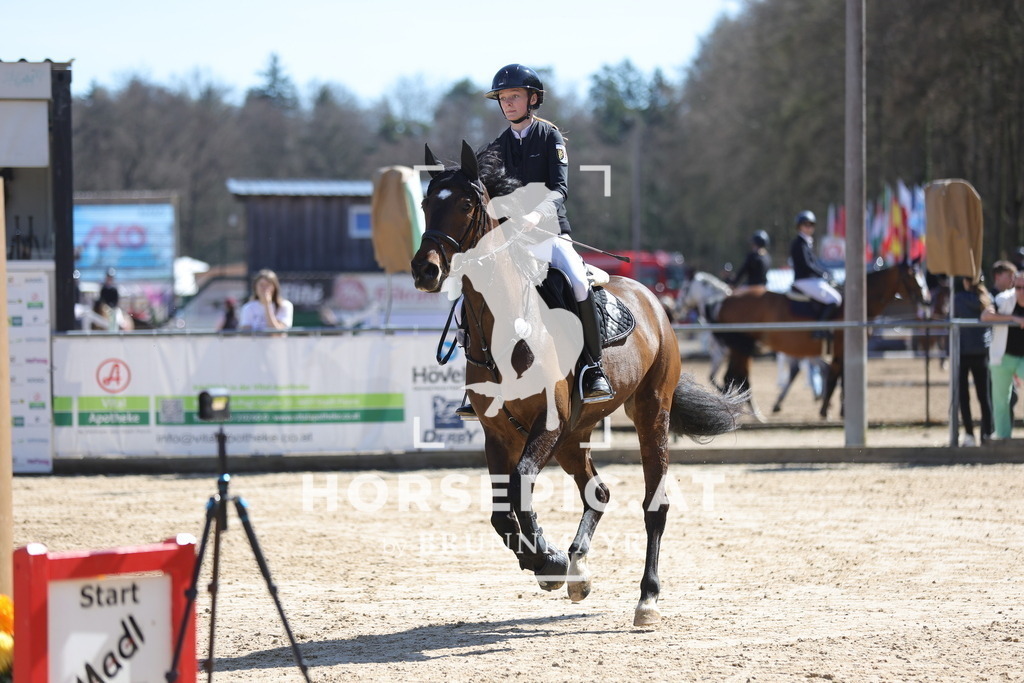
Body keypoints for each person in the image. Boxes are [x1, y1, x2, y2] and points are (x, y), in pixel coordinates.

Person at [456, 63, 613, 419]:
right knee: (474, 287)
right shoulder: (497, 147)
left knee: (577, 281)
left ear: (533, 99)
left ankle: (593, 368)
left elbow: (560, 190)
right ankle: (475, 379)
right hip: (510, 241)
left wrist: (533, 215)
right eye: (503, 98)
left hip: (549, 234)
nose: (508, 103)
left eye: (514, 96)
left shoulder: (549, 138)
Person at [980, 272, 1024, 439]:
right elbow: (985, 316)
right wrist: (1014, 318)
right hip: (1002, 357)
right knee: (1000, 401)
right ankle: (1003, 438)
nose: (1021, 291)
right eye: (1018, 287)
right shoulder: (1003, 299)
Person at [953, 277, 993, 446]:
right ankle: (987, 433)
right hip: (981, 352)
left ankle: (969, 434)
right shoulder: (987, 298)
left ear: (966, 282)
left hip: (962, 352)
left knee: (964, 396)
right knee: (984, 396)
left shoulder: (958, 298)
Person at [789, 210, 842, 338]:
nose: (808, 227)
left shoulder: (807, 242)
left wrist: (826, 273)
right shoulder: (799, 243)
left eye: (811, 225)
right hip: (804, 280)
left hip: (811, 280)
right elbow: (807, 265)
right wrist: (822, 275)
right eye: (805, 225)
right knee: (835, 299)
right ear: (799, 226)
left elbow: (815, 264)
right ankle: (818, 330)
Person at [730, 230, 771, 295]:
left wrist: (733, 284)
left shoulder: (753, 256)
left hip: (751, 287)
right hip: (764, 288)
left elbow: (742, 271)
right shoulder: (767, 257)